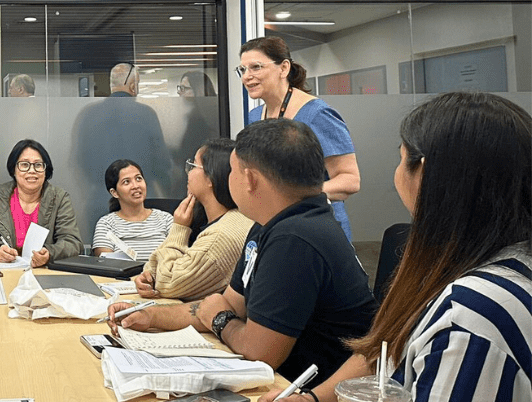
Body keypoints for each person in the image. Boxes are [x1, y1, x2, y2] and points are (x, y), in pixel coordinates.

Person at [256, 92, 532, 402]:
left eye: (401, 157)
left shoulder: (473, 312)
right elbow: (390, 348)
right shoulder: (471, 262)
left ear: (429, 174)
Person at [108, 118, 376, 387]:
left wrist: (221, 320)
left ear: (249, 179)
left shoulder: (295, 237)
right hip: (283, 388)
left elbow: (260, 351)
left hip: (309, 400)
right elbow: (229, 304)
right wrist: (150, 315)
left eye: (232, 172)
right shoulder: (268, 225)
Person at [240, 36, 359, 242]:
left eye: (256, 67)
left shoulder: (317, 114)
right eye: (242, 70)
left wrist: (293, 193)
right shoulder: (255, 116)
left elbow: (350, 180)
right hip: (275, 224)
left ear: (283, 68)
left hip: (316, 229)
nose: (247, 77)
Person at [134, 138, 253, 300]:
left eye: (194, 166)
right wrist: (149, 276)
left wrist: (179, 229)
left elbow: (169, 283)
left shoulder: (221, 235)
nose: (188, 172)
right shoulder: (206, 216)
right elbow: (160, 267)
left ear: (211, 177)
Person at [72, 63, 174, 232]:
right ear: (133, 86)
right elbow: (162, 162)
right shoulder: (146, 114)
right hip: (139, 204)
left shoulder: (88, 114)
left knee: (102, 254)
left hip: (98, 203)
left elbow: (80, 161)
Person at [0, 139, 82, 267]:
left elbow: (72, 242)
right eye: (24, 165)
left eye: (38, 165)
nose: (32, 170)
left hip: (45, 273)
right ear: (14, 169)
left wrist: (49, 254)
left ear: (46, 171)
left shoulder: (59, 199)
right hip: (4, 272)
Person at [91, 159, 173, 261]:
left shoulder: (166, 219)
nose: (135, 186)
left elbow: (177, 257)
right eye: (126, 182)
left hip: (162, 275)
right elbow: (107, 265)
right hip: (123, 277)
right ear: (114, 192)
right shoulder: (106, 224)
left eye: (138, 179)